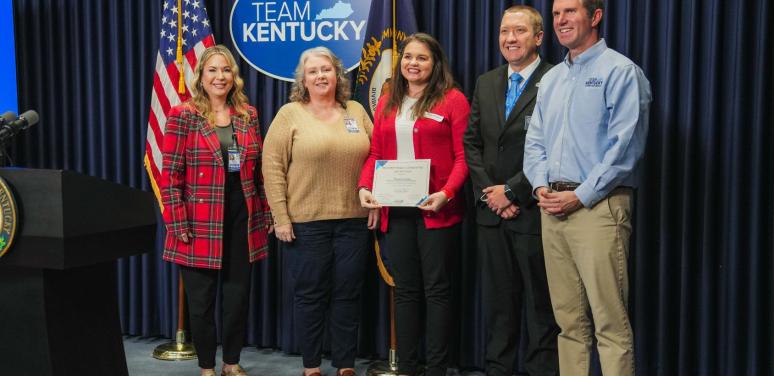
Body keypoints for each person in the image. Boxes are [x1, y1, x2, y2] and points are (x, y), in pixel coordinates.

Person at [523, 0, 652, 374]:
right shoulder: (551, 79)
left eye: (571, 11)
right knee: (568, 324)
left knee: (609, 323)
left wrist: (580, 195)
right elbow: (535, 143)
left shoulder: (621, 72)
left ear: (595, 17)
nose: (561, 20)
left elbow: (626, 147)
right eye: (557, 13)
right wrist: (540, 187)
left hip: (598, 207)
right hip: (552, 208)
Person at [358, 33, 470, 376]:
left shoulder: (453, 100)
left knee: (437, 291)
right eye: (408, 57)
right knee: (405, 290)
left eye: (422, 58)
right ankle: (406, 367)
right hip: (397, 211)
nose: (413, 63)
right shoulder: (389, 100)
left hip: (437, 211)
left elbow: (463, 158)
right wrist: (365, 186)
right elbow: (376, 153)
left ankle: (436, 368)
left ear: (435, 63)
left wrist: (446, 194)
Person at [262, 47, 376, 376]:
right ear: (304, 79)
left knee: (348, 294)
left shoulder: (355, 110)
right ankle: (311, 365)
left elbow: (377, 155)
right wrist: (280, 217)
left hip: (353, 221)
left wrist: (376, 199)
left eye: (326, 69)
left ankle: (344, 364)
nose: (321, 76)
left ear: (337, 74)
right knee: (311, 295)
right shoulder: (289, 115)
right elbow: (272, 169)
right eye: (313, 71)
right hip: (306, 224)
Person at [160, 45, 272, 376]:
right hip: (199, 221)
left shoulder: (248, 114)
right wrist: (177, 222)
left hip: (243, 217)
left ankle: (231, 362)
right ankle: (207, 366)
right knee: (201, 303)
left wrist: (264, 213)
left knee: (237, 300)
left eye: (225, 70)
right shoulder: (183, 115)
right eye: (213, 70)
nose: (220, 76)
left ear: (233, 76)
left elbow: (259, 170)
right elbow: (170, 176)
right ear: (202, 77)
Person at [463, 5, 559, 376]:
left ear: (538, 37)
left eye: (519, 31)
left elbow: (556, 145)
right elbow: (471, 143)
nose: (509, 38)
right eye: (504, 31)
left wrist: (515, 192)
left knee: (541, 309)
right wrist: (492, 194)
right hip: (492, 215)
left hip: (535, 213)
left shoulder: (556, 80)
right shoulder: (486, 82)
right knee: (498, 308)